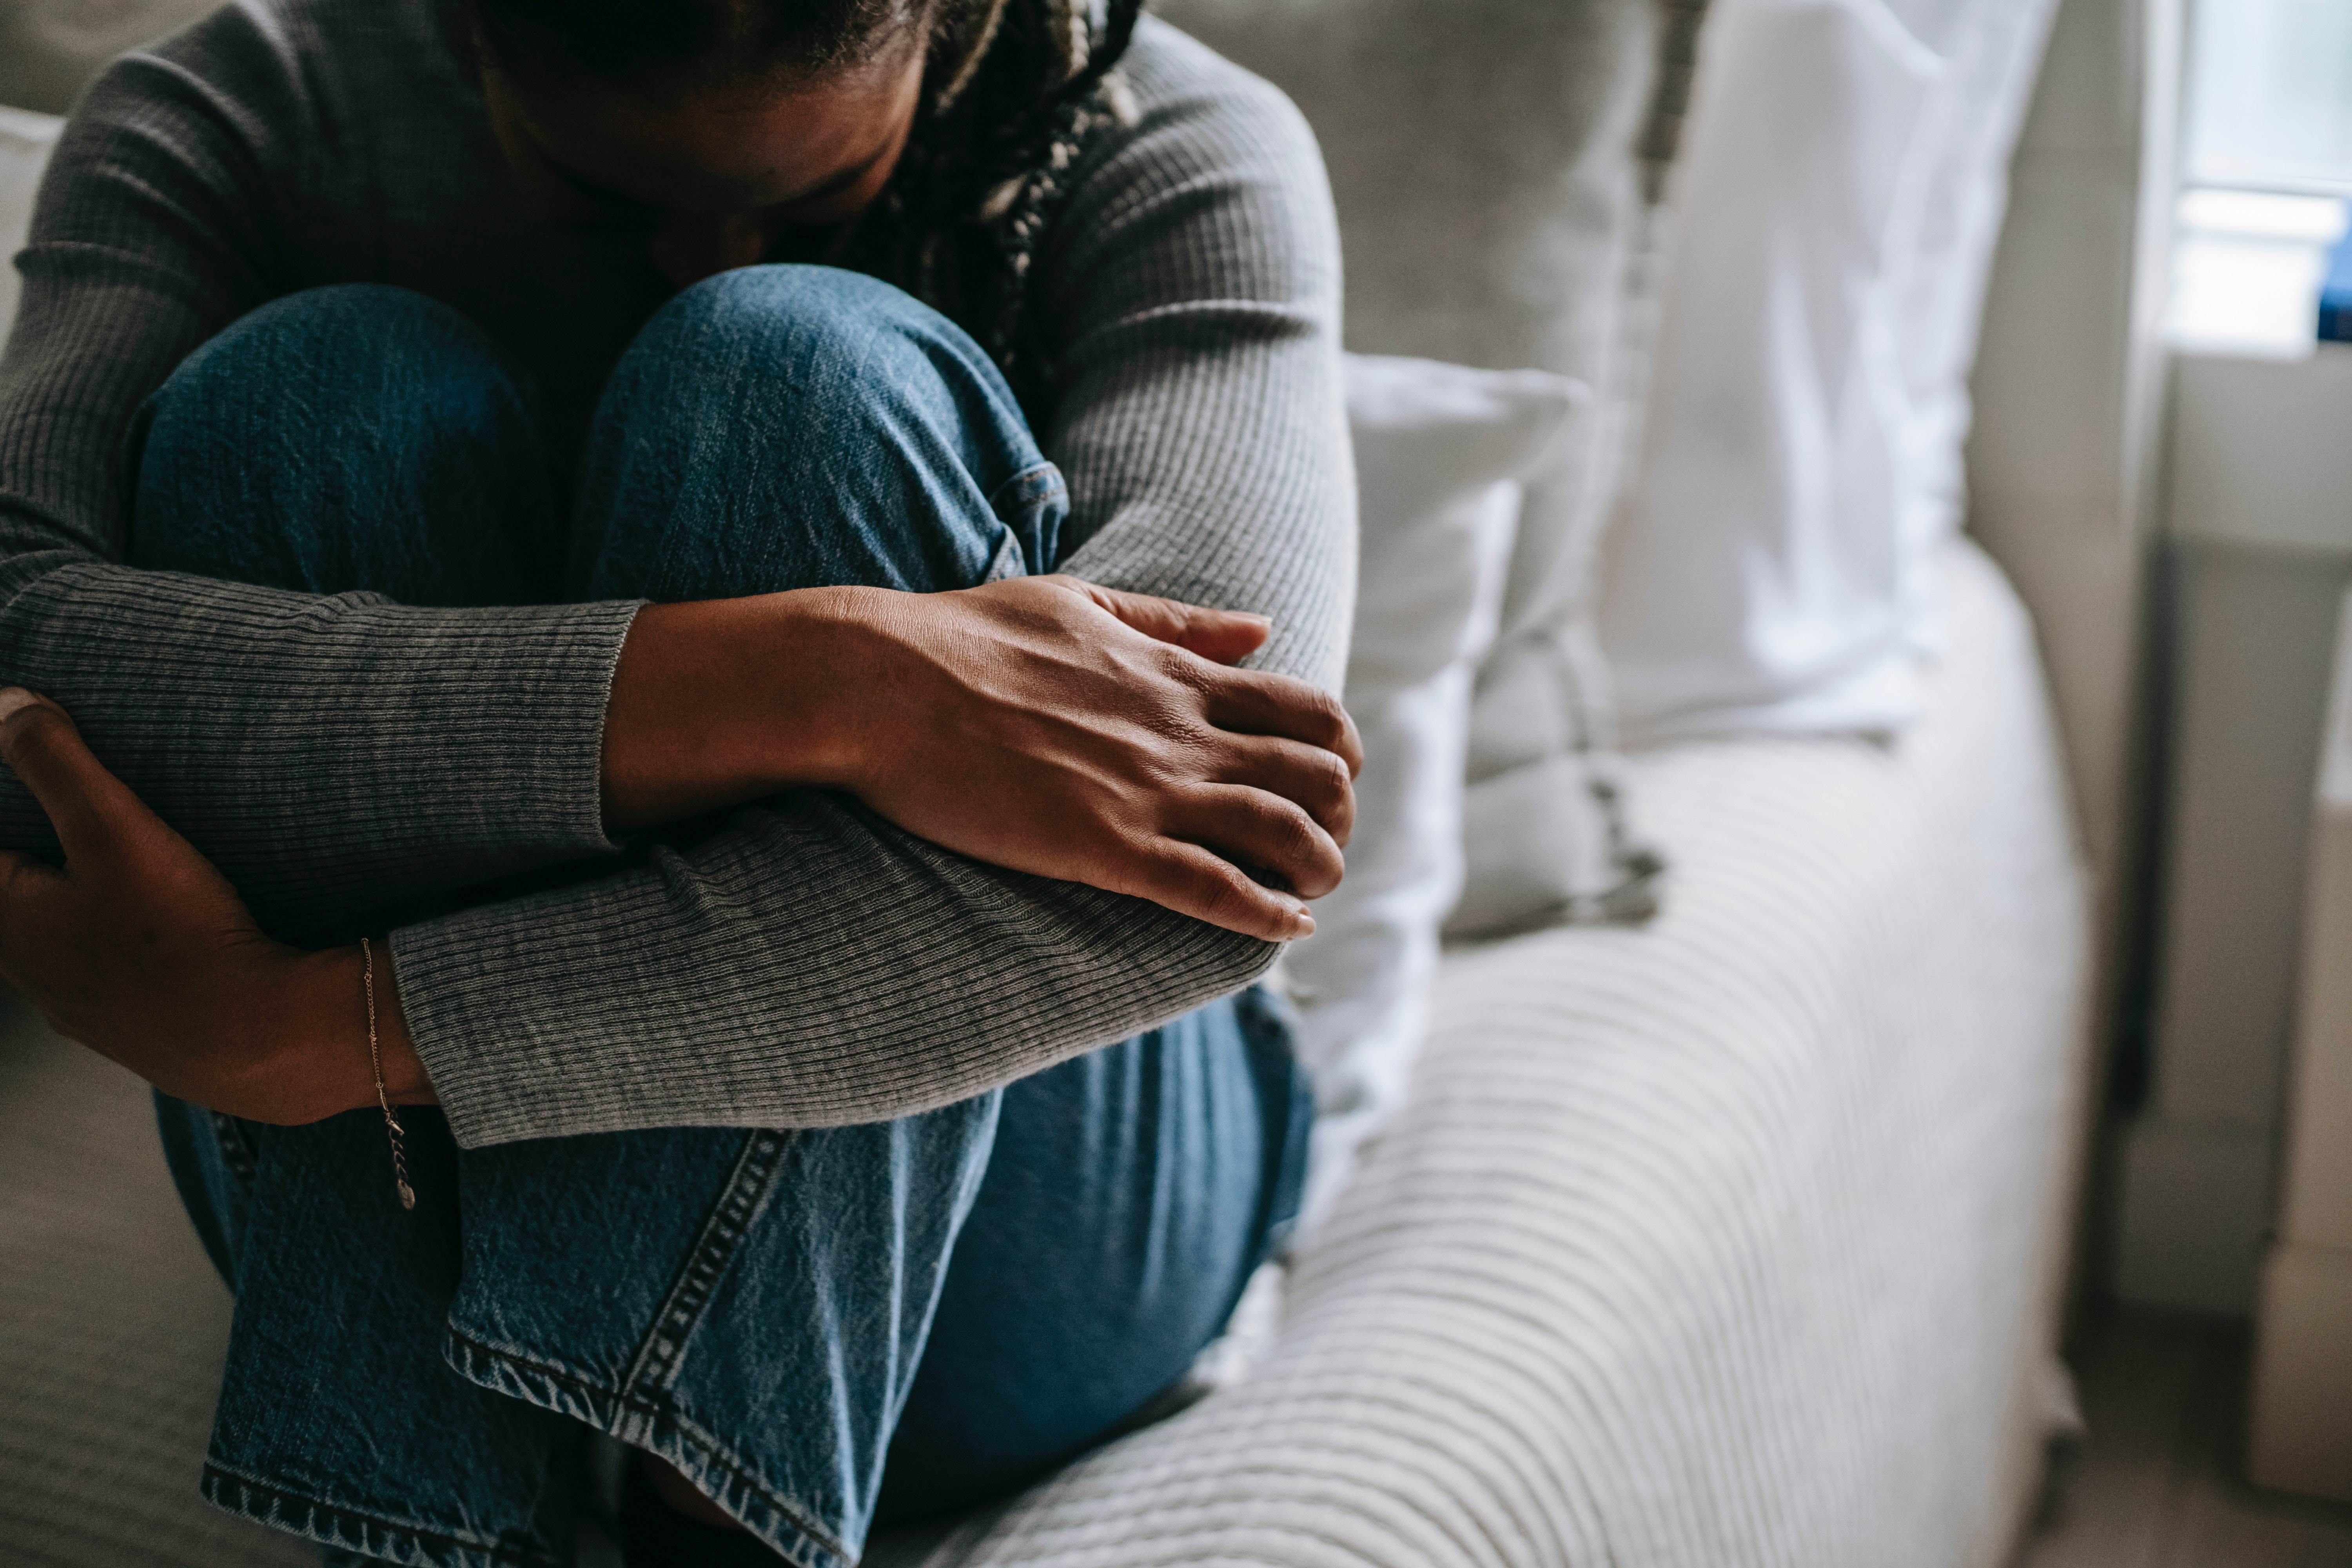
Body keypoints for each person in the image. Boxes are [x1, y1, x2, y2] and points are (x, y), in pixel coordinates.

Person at [0, 0, 1355, 1562]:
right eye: (609, 198)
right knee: (307, 403)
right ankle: (433, 1514)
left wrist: (312, 1032)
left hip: (1017, 1217)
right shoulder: (241, 108)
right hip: (405, 1196)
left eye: (818, 195)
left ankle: (718, 1522)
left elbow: (1228, 874)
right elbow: (20, 657)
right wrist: (835, 678)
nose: (702, 253)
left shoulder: (1167, 147)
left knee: (798, 371)